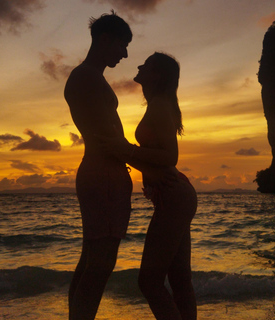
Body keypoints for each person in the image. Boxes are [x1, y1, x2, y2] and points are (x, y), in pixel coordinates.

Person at [101, 52, 197, 320]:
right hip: (174, 195)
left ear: (157, 75)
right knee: (179, 281)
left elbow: (170, 157)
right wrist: (130, 157)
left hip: (175, 196)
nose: (140, 65)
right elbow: (157, 160)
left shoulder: (160, 106)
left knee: (149, 282)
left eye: (147, 64)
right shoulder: (158, 104)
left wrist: (126, 150)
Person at [63, 11, 133, 320]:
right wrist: (155, 165)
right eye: (122, 44)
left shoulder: (90, 76)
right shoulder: (86, 77)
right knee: (100, 265)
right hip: (103, 173)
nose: (125, 53)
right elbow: (107, 138)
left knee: (92, 261)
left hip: (103, 170)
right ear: (106, 39)